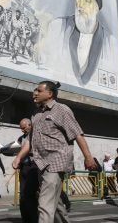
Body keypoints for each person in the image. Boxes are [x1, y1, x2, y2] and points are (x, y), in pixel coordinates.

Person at [12, 80, 96, 223]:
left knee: (45, 204)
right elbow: (30, 141)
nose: (35, 93)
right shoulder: (36, 114)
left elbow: (77, 134)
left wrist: (88, 157)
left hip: (56, 162)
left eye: (38, 90)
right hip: (40, 163)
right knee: (55, 205)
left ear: (49, 94)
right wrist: (18, 157)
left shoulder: (62, 110)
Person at [46, 0, 118, 87]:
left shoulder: (111, 43)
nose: (79, 4)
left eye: (87, 0)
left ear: (97, 6)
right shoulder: (57, 27)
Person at [17, 118, 39, 223]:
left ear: (30, 125)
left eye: (24, 128)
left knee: (31, 194)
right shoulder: (21, 138)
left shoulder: (36, 136)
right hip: (23, 167)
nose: (23, 131)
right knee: (23, 195)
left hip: (33, 167)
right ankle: (25, 219)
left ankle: (34, 218)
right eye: (21, 129)